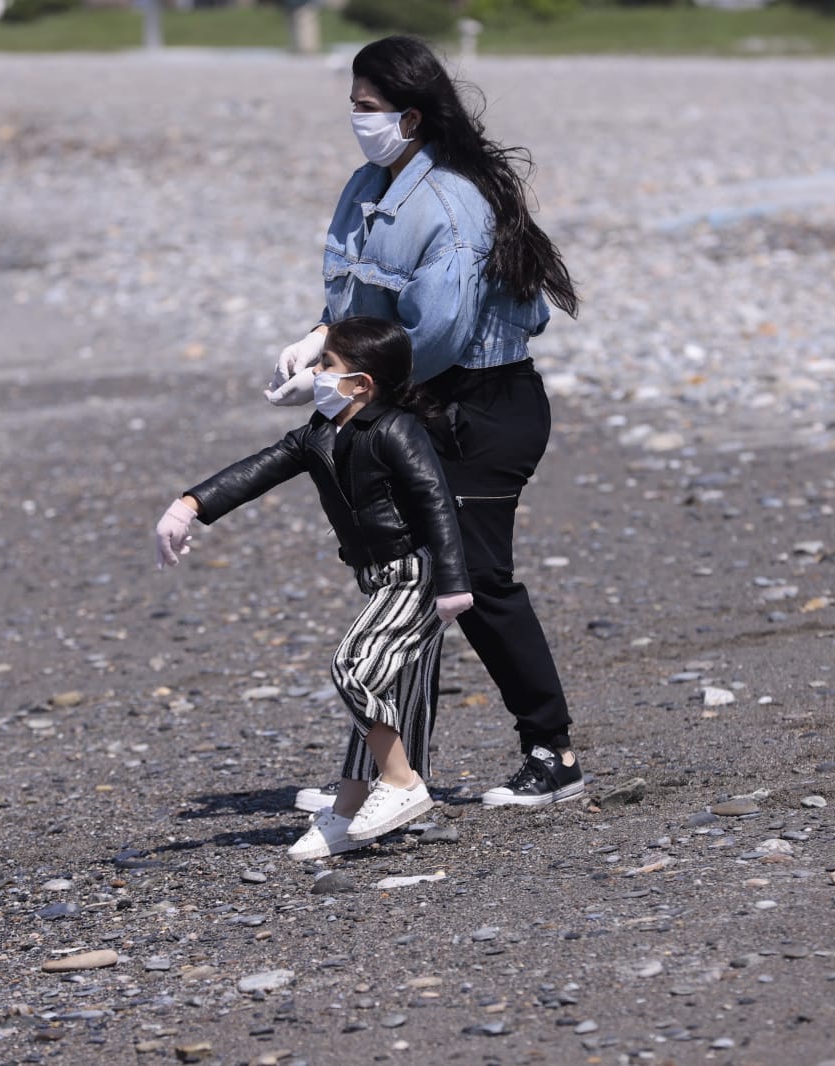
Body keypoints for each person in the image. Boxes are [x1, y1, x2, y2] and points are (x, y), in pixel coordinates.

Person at [265, 35, 584, 809]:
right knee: (404, 581)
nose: (355, 120)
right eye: (351, 105)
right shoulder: (368, 186)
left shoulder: (451, 202)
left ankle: (553, 753)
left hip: (482, 407)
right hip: (416, 399)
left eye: (367, 109)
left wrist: (343, 374)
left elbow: (436, 333)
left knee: (473, 578)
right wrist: (319, 339)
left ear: (410, 116)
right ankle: (393, 775)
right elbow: (353, 295)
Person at [156, 316, 474, 860]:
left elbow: (436, 501)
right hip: (376, 579)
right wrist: (188, 506)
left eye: (326, 365)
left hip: (417, 577)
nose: (315, 374)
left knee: (354, 669)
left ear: (362, 384)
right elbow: (258, 469)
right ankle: (349, 811)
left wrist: (453, 582)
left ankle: (400, 783)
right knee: (393, 695)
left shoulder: (398, 429)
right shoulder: (321, 434)